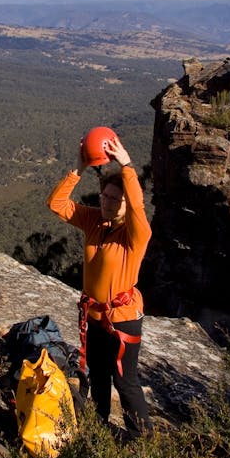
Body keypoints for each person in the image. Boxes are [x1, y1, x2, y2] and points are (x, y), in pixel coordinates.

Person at [46, 127, 152, 437]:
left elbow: (138, 207)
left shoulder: (135, 235)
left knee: (125, 380)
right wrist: (79, 168)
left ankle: (142, 439)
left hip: (122, 320)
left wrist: (127, 167)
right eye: (105, 196)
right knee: (100, 375)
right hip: (93, 316)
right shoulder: (94, 220)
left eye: (116, 199)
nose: (107, 202)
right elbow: (56, 203)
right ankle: (99, 426)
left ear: (126, 204)